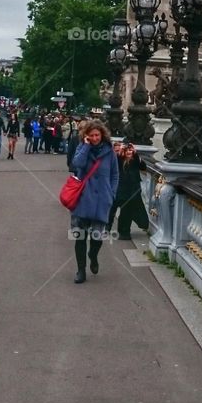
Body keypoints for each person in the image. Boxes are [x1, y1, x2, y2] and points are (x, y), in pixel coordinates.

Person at [68, 119, 118, 284]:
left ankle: (93, 255)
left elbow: (115, 174)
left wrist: (111, 193)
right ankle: (81, 270)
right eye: (92, 135)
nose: (95, 138)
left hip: (102, 199)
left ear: (102, 135)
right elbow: (77, 164)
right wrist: (86, 146)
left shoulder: (110, 151)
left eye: (97, 135)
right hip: (83, 198)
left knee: (97, 237)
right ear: (86, 136)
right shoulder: (82, 148)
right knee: (80, 236)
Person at [109, 142, 149, 241]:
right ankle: (106, 227)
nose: (128, 152)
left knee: (127, 212)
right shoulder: (119, 160)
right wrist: (120, 152)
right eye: (127, 150)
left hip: (133, 190)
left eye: (130, 150)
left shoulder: (134, 160)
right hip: (120, 189)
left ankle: (124, 232)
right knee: (111, 209)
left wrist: (135, 154)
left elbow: (143, 167)